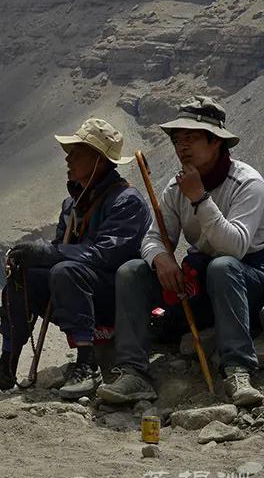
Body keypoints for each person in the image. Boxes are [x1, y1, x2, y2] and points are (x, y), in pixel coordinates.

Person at [0, 118, 151, 399]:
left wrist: (49, 254)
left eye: (77, 153)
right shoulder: (74, 203)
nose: (68, 159)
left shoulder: (127, 202)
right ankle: (6, 364)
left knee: (65, 270)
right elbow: (61, 248)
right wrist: (31, 257)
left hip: (116, 297)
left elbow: (107, 254)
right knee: (24, 274)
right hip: (77, 288)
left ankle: (87, 365)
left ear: (98, 160)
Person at [97, 97, 264, 408]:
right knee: (131, 271)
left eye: (192, 138)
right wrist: (161, 259)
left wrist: (200, 199)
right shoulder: (176, 189)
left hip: (248, 279)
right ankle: (133, 371)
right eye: (177, 139)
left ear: (216, 142)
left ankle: (238, 368)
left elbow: (235, 246)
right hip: (203, 278)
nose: (181, 147)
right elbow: (153, 238)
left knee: (223, 266)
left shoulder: (247, 184)